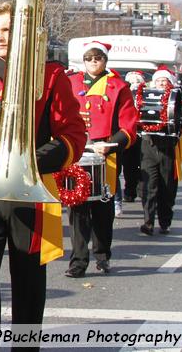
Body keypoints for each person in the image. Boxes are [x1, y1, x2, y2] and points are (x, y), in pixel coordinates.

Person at [0, 0, 86, 352]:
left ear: (22, 32)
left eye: (7, 29)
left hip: (30, 184)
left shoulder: (50, 74)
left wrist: (37, 160)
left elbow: (73, 133)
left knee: (29, 286)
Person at [64, 41, 138, 277]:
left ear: (105, 60)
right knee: (77, 208)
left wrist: (109, 145)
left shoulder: (118, 86)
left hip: (105, 154)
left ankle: (102, 254)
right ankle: (77, 261)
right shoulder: (71, 82)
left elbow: (128, 125)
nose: (93, 62)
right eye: (89, 58)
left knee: (103, 209)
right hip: (77, 152)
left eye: (98, 58)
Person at [138, 67, 182, 235]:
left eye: (165, 80)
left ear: (170, 83)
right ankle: (148, 222)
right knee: (149, 186)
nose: (161, 83)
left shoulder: (177, 100)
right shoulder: (144, 98)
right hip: (148, 146)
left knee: (167, 188)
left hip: (169, 148)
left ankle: (165, 222)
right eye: (158, 80)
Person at [119, 70, 147, 205]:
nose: (135, 84)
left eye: (138, 81)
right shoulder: (124, 95)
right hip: (128, 134)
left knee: (143, 165)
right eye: (132, 81)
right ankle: (130, 191)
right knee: (129, 165)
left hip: (144, 135)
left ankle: (142, 189)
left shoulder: (147, 95)